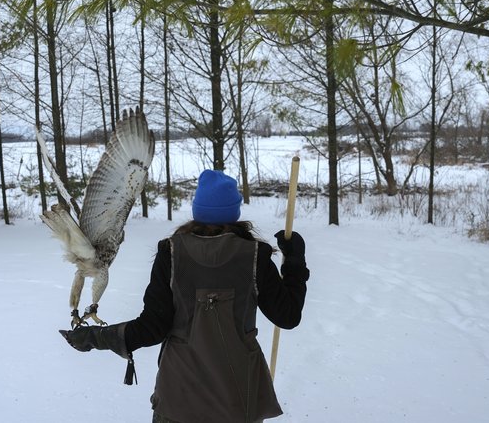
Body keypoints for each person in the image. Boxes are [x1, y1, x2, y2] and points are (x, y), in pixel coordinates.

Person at [60, 169, 310, 423]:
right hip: (237, 402)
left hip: (177, 403)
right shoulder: (255, 257)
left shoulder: (171, 254)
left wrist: (95, 337)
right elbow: (287, 316)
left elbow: (152, 328)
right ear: (234, 211)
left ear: (196, 210)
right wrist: (294, 264)